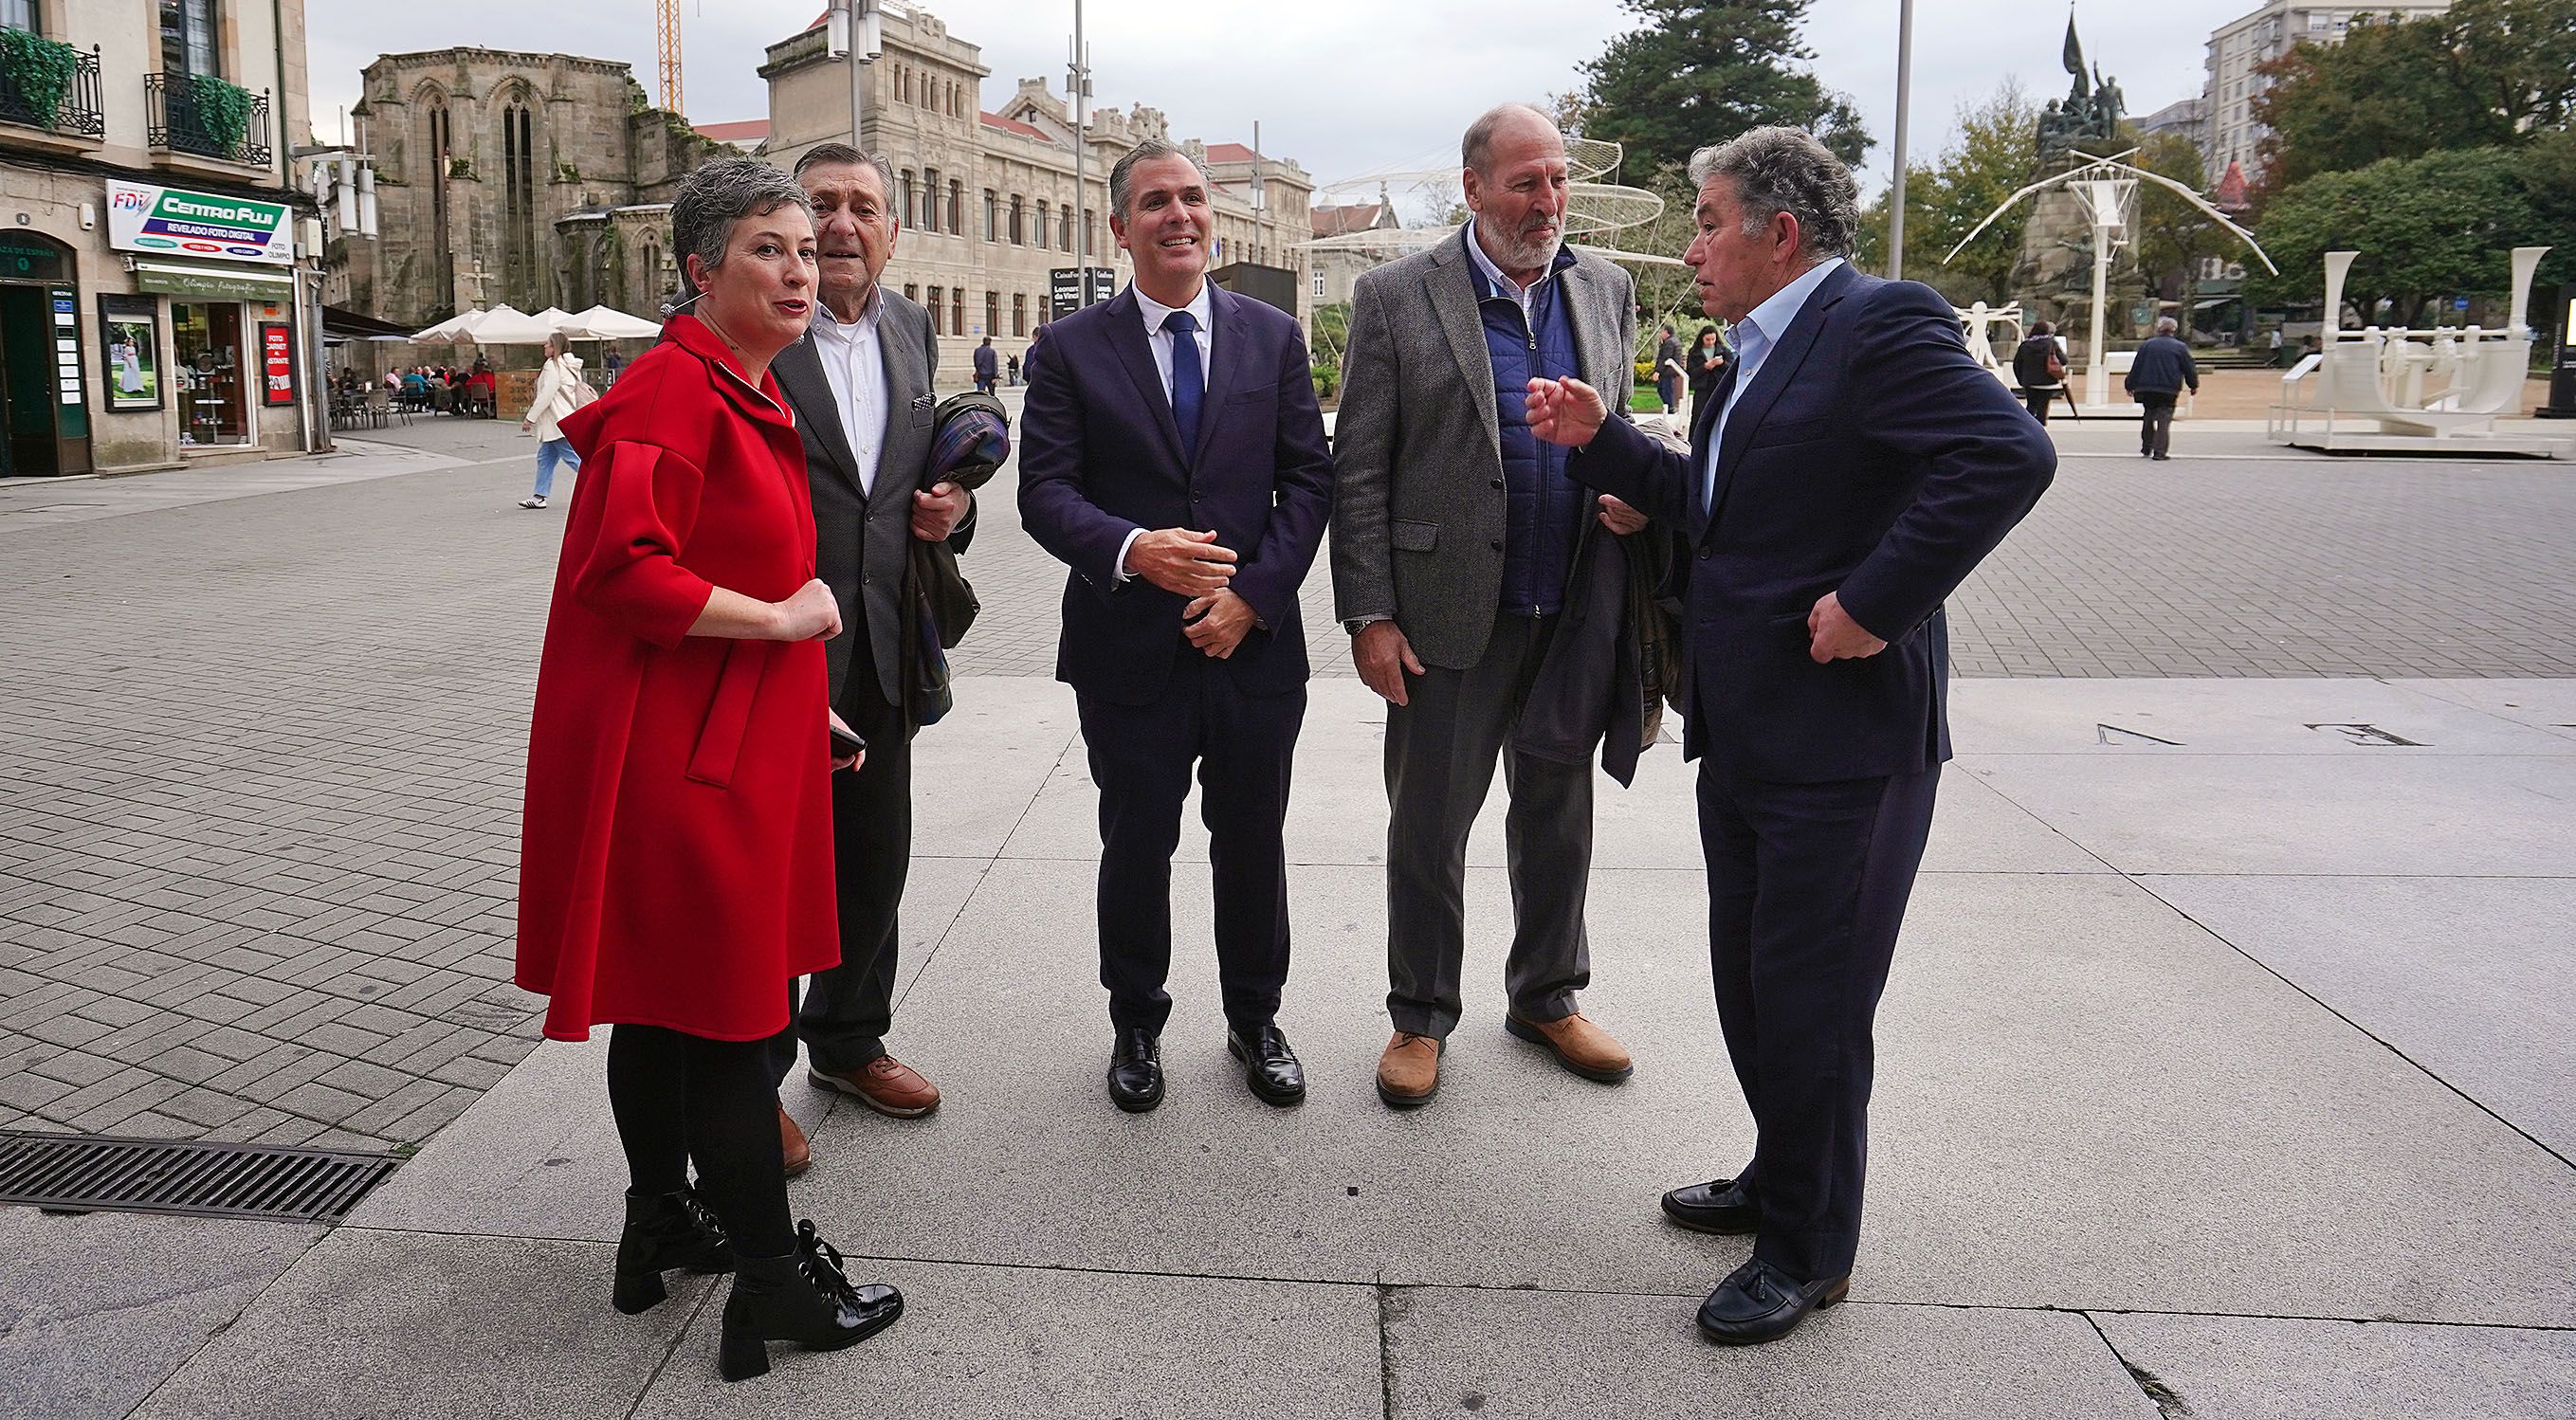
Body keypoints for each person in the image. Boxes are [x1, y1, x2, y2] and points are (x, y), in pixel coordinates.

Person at [1523, 125, 2054, 1345]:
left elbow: (2005, 454)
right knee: (1755, 990)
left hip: (1847, 749)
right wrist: (1601, 437)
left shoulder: (1880, 323)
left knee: (1811, 1001)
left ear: (1781, 233)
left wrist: (1875, 603)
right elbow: (1716, 507)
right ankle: (1780, 1175)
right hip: (1749, 730)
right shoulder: (1747, 354)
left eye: (1706, 223)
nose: (1690, 249)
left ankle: (1810, 1251)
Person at [515, 156, 904, 1384]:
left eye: (806, 249)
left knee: (669, 1013)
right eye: (768, 250)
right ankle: (773, 1282)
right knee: (738, 1030)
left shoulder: (730, 386)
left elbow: (708, 574)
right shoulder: (675, 393)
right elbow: (622, 573)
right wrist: (789, 627)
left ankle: (658, 1221)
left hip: (716, 743)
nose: (802, 268)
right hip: (686, 773)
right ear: (699, 269)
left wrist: (803, 708)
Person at [1329, 102, 1647, 1110]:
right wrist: (1368, 614)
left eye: (1555, 180)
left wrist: (1632, 487)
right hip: (1442, 615)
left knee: (1557, 816)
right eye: (1525, 182)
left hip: (1570, 607)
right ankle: (1418, 1015)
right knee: (1428, 824)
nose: (1547, 201)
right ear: (1472, 189)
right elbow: (1360, 471)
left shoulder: (1605, 287)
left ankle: (1547, 995)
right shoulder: (1395, 295)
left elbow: (1619, 425)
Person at [1018, 138, 1333, 1113]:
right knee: (1136, 841)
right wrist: (1131, 549)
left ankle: (1254, 1017)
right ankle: (1136, 1024)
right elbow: (1044, 492)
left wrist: (1255, 597)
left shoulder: (1270, 338)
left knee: (1250, 841)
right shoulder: (1068, 350)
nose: (1178, 215)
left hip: (1251, 650)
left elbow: (1308, 480)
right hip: (1129, 653)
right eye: (1154, 201)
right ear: (1120, 227)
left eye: (1192, 198)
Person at [762, 141, 973, 1148]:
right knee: (769, 873)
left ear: (891, 230)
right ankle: (748, 1082)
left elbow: (903, 476)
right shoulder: (748, 329)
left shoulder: (908, 325)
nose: (841, 226)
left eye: (861, 208)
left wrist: (954, 502)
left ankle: (848, 1041)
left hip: (886, 645)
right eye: (819, 207)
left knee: (871, 861)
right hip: (775, 654)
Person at [520, 333, 590, 509]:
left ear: (555, 347)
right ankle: (539, 496)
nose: (544, 345)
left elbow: (547, 394)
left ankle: (601, 486)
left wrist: (530, 418)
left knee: (574, 459)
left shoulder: (553, 365)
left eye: (548, 344)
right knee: (545, 457)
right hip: (565, 417)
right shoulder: (570, 365)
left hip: (557, 420)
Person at [2125, 316, 2199, 460]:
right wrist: (2193, 385)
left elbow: (2137, 367)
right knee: (2164, 419)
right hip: (2168, 388)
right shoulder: (2180, 347)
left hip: (2147, 387)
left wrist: (2130, 385)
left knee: (2148, 416)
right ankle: (2160, 452)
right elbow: (2189, 368)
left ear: (2158, 329)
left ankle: (2147, 446)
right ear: (2173, 330)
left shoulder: (2147, 345)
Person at [2012, 319, 2067, 425]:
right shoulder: (2052, 343)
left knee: (2031, 405)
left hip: (2030, 383)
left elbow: (2017, 364)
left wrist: (2022, 380)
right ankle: (2040, 428)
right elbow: (2064, 360)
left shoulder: (2025, 345)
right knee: (2043, 407)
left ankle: (2027, 426)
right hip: (2048, 382)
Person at [1686, 324, 1726, 425]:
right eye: (1707, 339)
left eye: (1713, 339)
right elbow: (1691, 372)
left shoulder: (1723, 351)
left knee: (1718, 416)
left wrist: (1721, 364)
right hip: (1702, 389)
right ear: (1702, 338)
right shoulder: (1695, 352)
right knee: (1698, 416)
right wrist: (1705, 367)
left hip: (1718, 387)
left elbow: (1731, 369)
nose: (1711, 342)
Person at [1654, 321, 1685, 416]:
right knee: (1665, 389)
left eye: (1662, 332)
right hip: (1672, 371)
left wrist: (1658, 371)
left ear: (1666, 332)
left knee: (1665, 390)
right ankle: (1670, 407)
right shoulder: (1675, 341)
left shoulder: (1669, 343)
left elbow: (1665, 357)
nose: (1661, 334)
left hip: (1667, 371)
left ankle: (1670, 408)